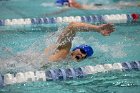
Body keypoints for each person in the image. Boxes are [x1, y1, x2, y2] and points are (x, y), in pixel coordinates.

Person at [45, 22, 115, 62]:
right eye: (83, 51)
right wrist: (97, 29)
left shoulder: (67, 61)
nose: (83, 55)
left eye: (86, 55)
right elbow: (72, 26)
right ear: (75, 49)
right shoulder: (64, 50)